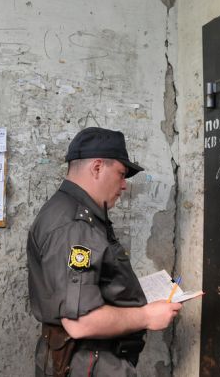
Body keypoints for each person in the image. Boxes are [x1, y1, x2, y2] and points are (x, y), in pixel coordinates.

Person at [27, 127, 182, 376]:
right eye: (121, 174)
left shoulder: (74, 212)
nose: (124, 186)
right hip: (88, 363)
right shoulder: (74, 225)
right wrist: (146, 316)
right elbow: (80, 322)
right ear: (97, 167)